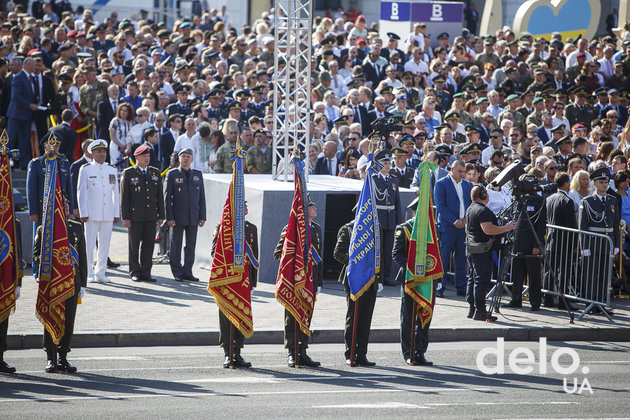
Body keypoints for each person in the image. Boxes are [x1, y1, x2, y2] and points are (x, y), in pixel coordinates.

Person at [33, 204, 87, 373]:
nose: (62, 211)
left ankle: (63, 357)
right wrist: (47, 259)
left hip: (72, 282)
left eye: (64, 208)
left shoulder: (76, 228)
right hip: (53, 283)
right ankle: (51, 357)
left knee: (68, 321)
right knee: (51, 317)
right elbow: (35, 256)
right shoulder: (44, 230)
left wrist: (83, 283)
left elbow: (83, 257)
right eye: (59, 208)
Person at [273, 198, 322, 368]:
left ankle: (303, 351)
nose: (315, 208)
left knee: (307, 315)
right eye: (311, 206)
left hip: (310, 281)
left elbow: (319, 259)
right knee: (292, 318)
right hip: (294, 281)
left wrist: (319, 282)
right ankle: (292, 353)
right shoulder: (290, 229)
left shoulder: (316, 229)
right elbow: (278, 253)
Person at [211, 202, 258, 368]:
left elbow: (254, 260)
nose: (245, 208)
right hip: (227, 281)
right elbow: (214, 253)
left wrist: (252, 283)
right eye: (241, 205)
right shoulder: (223, 227)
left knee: (241, 313)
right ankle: (227, 353)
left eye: (246, 205)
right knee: (226, 318)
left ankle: (237, 352)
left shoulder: (251, 229)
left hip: (243, 282)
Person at [333, 219, 381, 367]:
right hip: (354, 278)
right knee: (353, 317)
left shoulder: (374, 229)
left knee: (366, 318)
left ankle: (362, 355)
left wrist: (381, 279)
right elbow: (337, 253)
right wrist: (356, 264)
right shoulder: (348, 229)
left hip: (371, 279)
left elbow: (380, 255)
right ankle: (350, 353)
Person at [392, 197, 433, 366]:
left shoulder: (432, 229)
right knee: (408, 317)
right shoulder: (405, 228)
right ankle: (408, 352)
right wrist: (413, 270)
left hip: (427, 280)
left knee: (424, 316)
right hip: (410, 279)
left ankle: (420, 351)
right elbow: (397, 254)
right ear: (416, 211)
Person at [465, 185, 516, 321]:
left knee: (472, 278)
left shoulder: (470, 208)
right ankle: (480, 311)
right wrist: (506, 228)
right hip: (482, 250)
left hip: (472, 248)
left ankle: (472, 308)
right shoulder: (483, 211)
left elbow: (468, 230)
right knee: (481, 281)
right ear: (482, 195)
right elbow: (488, 229)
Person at [26, 134, 74, 278]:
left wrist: (70, 210)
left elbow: (69, 188)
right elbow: (31, 190)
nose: (55, 147)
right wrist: (33, 211)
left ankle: (58, 267)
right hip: (42, 210)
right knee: (40, 240)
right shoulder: (36, 164)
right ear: (44, 146)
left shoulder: (64, 162)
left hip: (60, 209)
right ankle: (38, 271)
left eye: (57, 145)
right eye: (51, 144)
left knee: (59, 238)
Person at [76, 139, 119, 284]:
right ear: (92, 153)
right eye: (98, 151)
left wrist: (116, 213)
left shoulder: (112, 169)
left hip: (107, 212)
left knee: (104, 244)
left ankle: (101, 272)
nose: (102, 154)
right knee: (89, 244)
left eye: (104, 151)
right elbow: (81, 192)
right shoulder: (86, 169)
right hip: (91, 213)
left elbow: (115, 193)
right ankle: (88, 272)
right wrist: (83, 212)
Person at [120, 145, 165, 282]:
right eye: (144, 156)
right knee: (134, 245)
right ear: (137, 158)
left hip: (150, 215)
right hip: (135, 216)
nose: (147, 158)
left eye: (148, 156)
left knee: (149, 245)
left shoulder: (154, 173)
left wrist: (161, 215)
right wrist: (125, 217)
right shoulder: (128, 173)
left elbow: (159, 196)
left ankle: (146, 272)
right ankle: (134, 271)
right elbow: (125, 198)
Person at [502, 174, 547, 311]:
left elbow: (540, 226)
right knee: (517, 273)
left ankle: (535, 302)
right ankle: (516, 299)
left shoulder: (539, 201)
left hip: (531, 242)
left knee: (533, 274)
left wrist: (537, 245)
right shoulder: (517, 200)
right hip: (517, 242)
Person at [578, 167, 620, 307]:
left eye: (606, 182)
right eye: (601, 182)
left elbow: (615, 224)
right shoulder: (587, 201)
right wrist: (584, 247)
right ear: (594, 184)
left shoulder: (613, 200)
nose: (604, 184)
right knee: (591, 275)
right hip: (593, 242)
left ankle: (602, 304)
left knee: (604, 276)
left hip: (607, 243)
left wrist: (617, 245)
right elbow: (582, 226)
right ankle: (591, 304)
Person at [164, 148, 206, 282]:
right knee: (176, 245)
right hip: (177, 216)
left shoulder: (197, 175)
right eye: (183, 157)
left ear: (192, 159)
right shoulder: (172, 174)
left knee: (190, 246)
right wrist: (169, 217)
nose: (186, 159)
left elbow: (202, 198)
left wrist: (202, 216)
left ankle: (188, 271)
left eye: (188, 156)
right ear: (179, 159)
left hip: (193, 216)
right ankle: (177, 271)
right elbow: (167, 198)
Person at [434, 160, 471, 296]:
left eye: (463, 172)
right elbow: (440, 206)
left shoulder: (467, 185)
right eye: (459, 171)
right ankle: (440, 286)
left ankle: (461, 286)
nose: (462, 174)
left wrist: (465, 220)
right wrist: (454, 220)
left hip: (462, 226)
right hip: (448, 227)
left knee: (461, 257)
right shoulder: (441, 184)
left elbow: (469, 204)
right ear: (452, 169)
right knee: (443, 258)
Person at [544, 172, 578, 309]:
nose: (570, 185)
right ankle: (563, 301)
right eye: (569, 182)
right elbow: (571, 224)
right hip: (564, 242)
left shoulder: (549, 198)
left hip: (551, 241)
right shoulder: (567, 201)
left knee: (549, 271)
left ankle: (548, 299)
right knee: (564, 272)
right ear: (565, 184)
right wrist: (575, 243)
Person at [372, 149, 403, 286]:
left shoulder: (393, 179)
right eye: (384, 163)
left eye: (389, 163)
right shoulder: (373, 179)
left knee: (389, 249)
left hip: (391, 219)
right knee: (378, 249)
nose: (387, 165)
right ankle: (377, 275)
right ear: (378, 164)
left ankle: (388, 276)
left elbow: (397, 202)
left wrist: (399, 222)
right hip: (378, 218)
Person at [7, 57, 38, 169]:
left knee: (24, 140)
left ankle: (24, 163)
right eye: (34, 64)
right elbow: (16, 96)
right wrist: (29, 105)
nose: (35, 67)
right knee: (10, 139)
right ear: (28, 64)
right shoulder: (19, 77)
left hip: (27, 115)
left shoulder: (31, 78)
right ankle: (4, 161)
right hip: (16, 114)